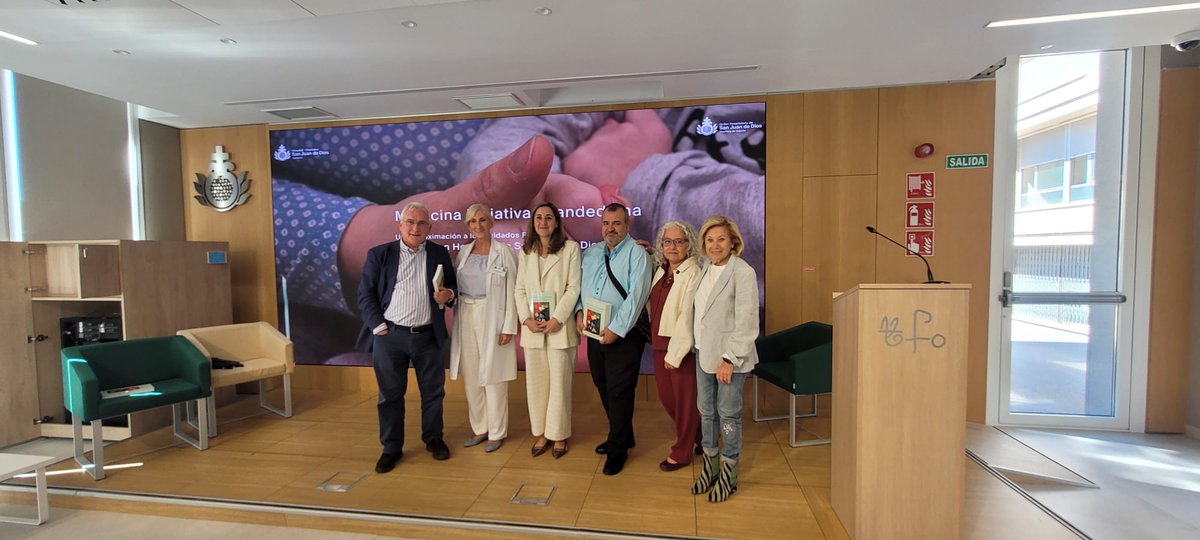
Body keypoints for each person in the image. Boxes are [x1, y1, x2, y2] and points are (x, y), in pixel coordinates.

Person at [356, 202, 458, 473]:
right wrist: (379, 327)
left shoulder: (439, 252)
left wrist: (448, 296)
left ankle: (434, 439)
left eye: (421, 223)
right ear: (400, 225)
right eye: (410, 222)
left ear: (430, 227)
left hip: (428, 336)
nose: (416, 228)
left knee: (433, 393)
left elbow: (452, 287)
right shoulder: (380, 254)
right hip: (390, 337)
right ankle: (391, 448)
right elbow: (366, 294)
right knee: (390, 396)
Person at [575, 203, 652, 475]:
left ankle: (617, 448)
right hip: (594, 331)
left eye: (617, 223)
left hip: (625, 334)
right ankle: (624, 434)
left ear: (627, 226)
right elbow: (582, 289)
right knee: (603, 385)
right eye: (606, 223)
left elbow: (637, 297)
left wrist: (616, 329)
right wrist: (579, 312)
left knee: (619, 391)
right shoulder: (591, 253)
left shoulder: (636, 254)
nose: (611, 228)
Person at [690, 215, 759, 503]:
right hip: (703, 354)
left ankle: (729, 474)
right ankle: (710, 467)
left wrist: (729, 358)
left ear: (733, 242)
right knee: (707, 413)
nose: (715, 244)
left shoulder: (742, 272)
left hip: (729, 358)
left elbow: (747, 320)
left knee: (728, 415)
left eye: (721, 239)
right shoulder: (705, 269)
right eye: (709, 239)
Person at [448, 204, 518, 453]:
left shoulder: (505, 252)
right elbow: (455, 287)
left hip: (494, 315)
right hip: (466, 314)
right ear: (467, 225)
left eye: (482, 220)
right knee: (472, 375)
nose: (478, 226)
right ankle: (480, 428)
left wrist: (509, 325)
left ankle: (497, 432)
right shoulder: (463, 252)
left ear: (491, 222)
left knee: (494, 376)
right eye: (472, 222)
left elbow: (513, 291)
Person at [513, 202, 581, 459]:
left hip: (559, 329)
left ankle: (559, 434)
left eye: (548, 218)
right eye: (538, 217)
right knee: (537, 385)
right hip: (533, 330)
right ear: (533, 222)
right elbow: (519, 289)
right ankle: (542, 433)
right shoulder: (526, 251)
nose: (543, 222)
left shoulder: (570, 249)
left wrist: (557, 318)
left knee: (559, 385)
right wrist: (526, 320)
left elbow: (573, 288)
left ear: (556, 223)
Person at [647, 221, 703, 472]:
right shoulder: (662, 271)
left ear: (689, 244)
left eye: (679, 241)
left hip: (678, 347)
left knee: (683, 401)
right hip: (659, 343)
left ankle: (682, 451)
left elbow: (688, 317)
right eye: (667, 241)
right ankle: (701, 432)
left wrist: (677, 352)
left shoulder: (693, 273)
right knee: (668, 399)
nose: (673, 246)